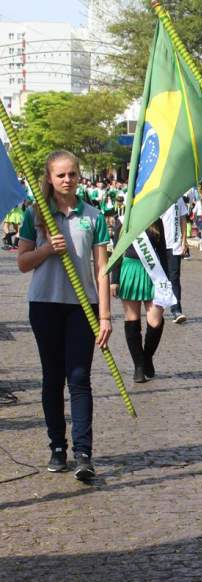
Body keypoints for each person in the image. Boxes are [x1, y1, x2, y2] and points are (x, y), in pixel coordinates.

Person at [17, 150, 112, 481]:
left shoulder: (94, 216)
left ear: (78, 175)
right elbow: (23, 262)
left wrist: (105, 316)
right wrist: (46, 249)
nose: (67, 180)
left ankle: (84, 453)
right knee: (53, 377)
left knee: (80, 378)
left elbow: (102, 269)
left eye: (72, 174)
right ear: (50, 178)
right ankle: (58, 446)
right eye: (60, 175)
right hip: (45, 305)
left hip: (82, 307)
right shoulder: (35, 214)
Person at [111, 218, 168, 383]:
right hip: (130, 270)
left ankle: (147, 357)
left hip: (153, 272)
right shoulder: (124, 219)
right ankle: (139, 366)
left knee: (155, 321)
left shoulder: (156, 219)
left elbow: (162, 251)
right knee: (132, 319)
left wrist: (166, 280)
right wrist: (114, 280)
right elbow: (116, 251)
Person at [161, 193, 189, 324]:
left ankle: (176, 310)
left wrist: (184, 240)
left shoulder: (178, 197)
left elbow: (183, 219)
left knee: (174, 277)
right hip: (158, 244)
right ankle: (156, 307)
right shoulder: (158, 196)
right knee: (159, 277)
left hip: (174, 244)